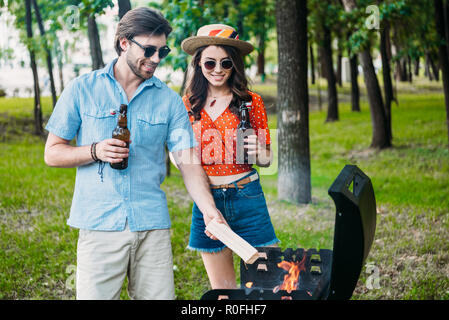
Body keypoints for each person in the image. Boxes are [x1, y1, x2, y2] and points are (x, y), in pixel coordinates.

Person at [44, 8, 226, 300]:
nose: (156, 59)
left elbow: (188, 163)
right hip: (99, 225)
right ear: (124, 43)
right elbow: (52, 153)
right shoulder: (82, 89)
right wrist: (95, 150)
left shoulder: (168, 101)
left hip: (151, 226)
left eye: (162, 51)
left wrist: (209, 210)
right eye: (149, 49)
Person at [177, 24, 280, 289]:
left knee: (264, 287)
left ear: (235, 65)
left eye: (226, 63)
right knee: (223, 293)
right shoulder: (187, 105)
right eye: (210, 63)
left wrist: (262, 152)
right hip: (207, 202)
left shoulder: (251, 102)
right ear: (199, 63)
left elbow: (268, 160)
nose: (218, 69)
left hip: (247, 195)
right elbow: (184, 161)